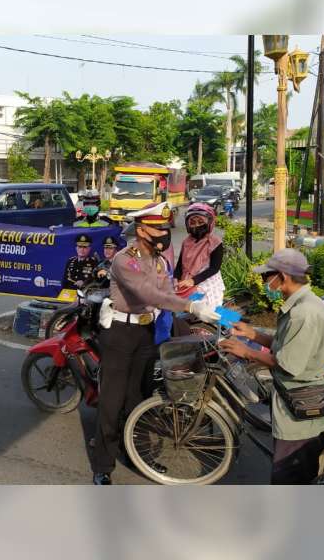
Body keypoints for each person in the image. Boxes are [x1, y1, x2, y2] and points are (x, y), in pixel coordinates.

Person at [91, 202, 219, 485]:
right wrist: (190, 307)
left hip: (146, 335)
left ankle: (138, 455)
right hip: (120, 333)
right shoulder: (126, 259)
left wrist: (213, 311)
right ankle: (103, 465)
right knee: (111, 402)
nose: (163, 233)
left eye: (165, 228)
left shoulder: (161, 261)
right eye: (157, 228)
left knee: (140, 399)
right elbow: (148, 294)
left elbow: (167, 293)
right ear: (141, 229)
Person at [219, 248, 324, 484]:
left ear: (283, 276)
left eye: (268, 276)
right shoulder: (304, 303)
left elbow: (287, 364)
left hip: (301, 403)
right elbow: (286, 345)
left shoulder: (303, 313)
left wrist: (245, 351)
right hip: (300, 395)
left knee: (288, 475)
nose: (266, 282)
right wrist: (253, 335)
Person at [174, 202, 225, 309]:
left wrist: (193, 281)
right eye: (192, 222)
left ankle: (229, 322)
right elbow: (179, 265)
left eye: (200, 222)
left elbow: (214, 268)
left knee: (207, 311)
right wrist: (175, 278)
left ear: (210, 222)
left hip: (207, 281)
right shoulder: (186, 242)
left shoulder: (215, 242)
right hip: (186, 281)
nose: (197, 225)